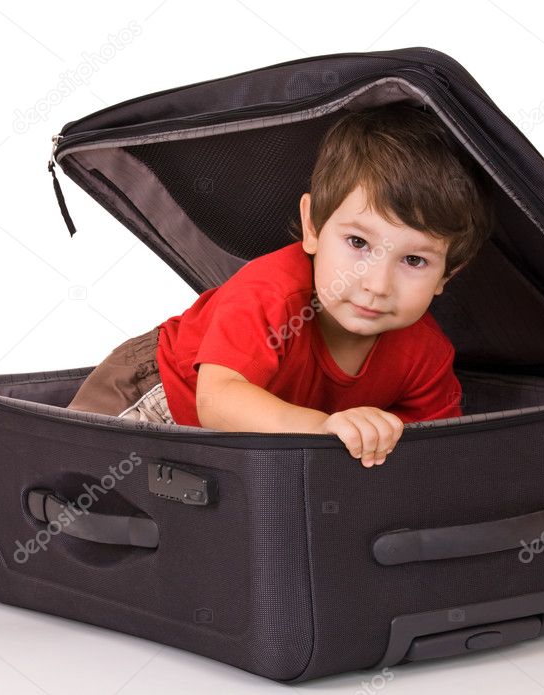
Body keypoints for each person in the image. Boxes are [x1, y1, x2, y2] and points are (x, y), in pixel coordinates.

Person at [67, 102, 493, 467]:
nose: (377, 284)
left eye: (414, 260)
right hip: (166, 392)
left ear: (447, 275)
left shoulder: (427, 355)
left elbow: (439, 452)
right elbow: (218, 403)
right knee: (78, 481)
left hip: (255, 446)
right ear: (312, 226)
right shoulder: (272, 292)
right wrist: (322, 426)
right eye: (359, 242)